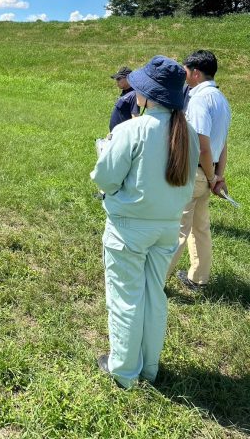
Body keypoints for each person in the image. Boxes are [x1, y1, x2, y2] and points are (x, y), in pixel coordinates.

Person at [91, 56, 199, 388]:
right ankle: (148, 367)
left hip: (128, 229)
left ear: (149, 95)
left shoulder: (131, 130)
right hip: (166, 226)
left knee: (125, 298)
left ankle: (123, 371)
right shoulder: (188, 133)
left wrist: (103, 152)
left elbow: (105, 180)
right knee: (154, 295)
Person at [167, 50, 231, 290]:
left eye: (185, 71)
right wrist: (217, 175)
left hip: (194, 172)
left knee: (177, 229)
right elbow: (222, 143)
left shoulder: (198, 99)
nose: (183, 75)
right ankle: (198, 278)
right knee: (200, 227)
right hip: (208, 173)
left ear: (195, 73)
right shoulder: (222, 99)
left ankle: (157, 280)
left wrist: (212, 175)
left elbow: (203, 147)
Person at [109, 66, 139, 132]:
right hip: (116, 134)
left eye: (119, 79)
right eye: (116, 79)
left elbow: (135, 118)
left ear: (128, 78)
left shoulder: (134, 95)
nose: (116, 81)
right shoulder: (124, 93)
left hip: (123, 135)